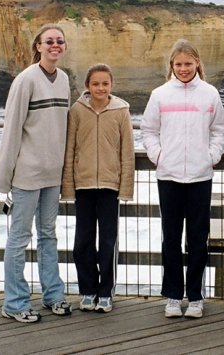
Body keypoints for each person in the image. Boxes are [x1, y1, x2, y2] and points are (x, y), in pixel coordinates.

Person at [141, 39, 224, 319]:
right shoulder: (160, 95)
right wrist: (159, 156)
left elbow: (220, 130)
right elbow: (148, 130)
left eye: (188, 64)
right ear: (172, 66)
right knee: (171, 240)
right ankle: (173, 296)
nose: (183, 69)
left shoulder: (210, 94)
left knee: (198, 239)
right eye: (178, 64)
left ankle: (196, 297)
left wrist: (211, 156)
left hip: (201, 176)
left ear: (197, 63)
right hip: (169, 176)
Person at [0, 24, 72, 323]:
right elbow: (11, 130)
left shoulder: (64, 80)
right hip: (27, 175)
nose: (55, 45)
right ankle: (14, 303)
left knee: (48, 236)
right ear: (38, 46)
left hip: (53, 174)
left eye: (60, 41)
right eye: (49, 41)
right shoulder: (25, 80)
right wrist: (5, 179)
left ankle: (53, 295)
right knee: (19, 239)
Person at [61, 63, 135, 313]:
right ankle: (88, 290)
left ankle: (106, 292)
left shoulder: (122, 110)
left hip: (109, 186)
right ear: (87, 86)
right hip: (82, 185)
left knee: (108, 241)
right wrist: (68, 188)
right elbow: (70, 149)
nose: (100, 88)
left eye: (105, 83)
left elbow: (127, 153)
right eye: (95, 84)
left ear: (111, 85)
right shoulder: (77, 110)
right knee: (82, 241)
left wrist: (125, 188)